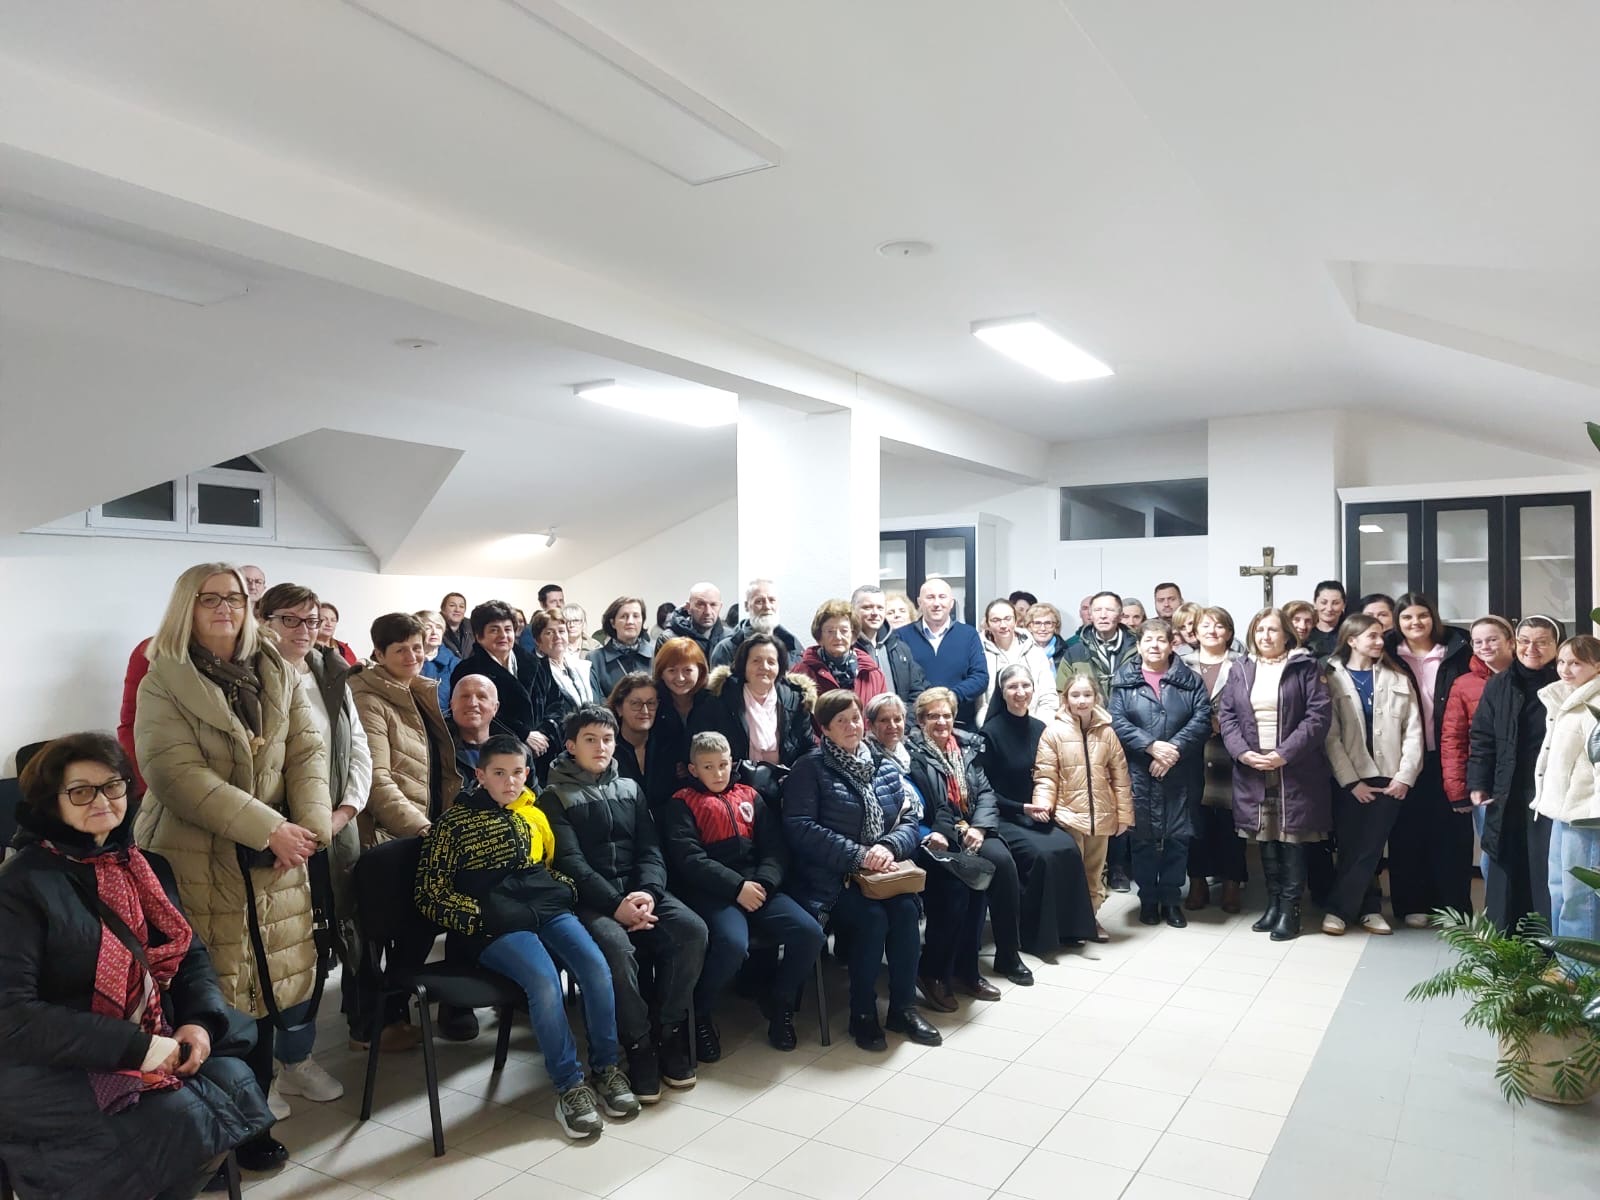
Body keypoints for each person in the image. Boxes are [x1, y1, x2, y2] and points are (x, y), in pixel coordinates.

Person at [0, 733, 274, 1199]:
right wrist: (139, 1048)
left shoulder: (147, 866)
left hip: (150, 1033)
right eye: (81, 791)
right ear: (50, 802)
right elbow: (14, 1016)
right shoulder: (19, 887)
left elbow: (191, 957)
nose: (102, 800)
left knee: (232, 1076)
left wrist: (199, 1023)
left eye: (113, 785)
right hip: (51, 1059)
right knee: (177, 1117)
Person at [132, 562, 331, 1171]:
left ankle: (255, 1113)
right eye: (209, 598)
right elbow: (174, 773)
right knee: (213, 993)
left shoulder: (276, 668)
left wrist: (309, 828)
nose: (225, 608)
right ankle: (218, 1128)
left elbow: (308, 749)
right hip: (196, 851)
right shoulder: (163, 676)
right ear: (185, 607)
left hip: (278, 850)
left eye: (235, 598)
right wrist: (268, 827)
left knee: (267, 987)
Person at [415, 734, 638, 1139]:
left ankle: (606, 1068)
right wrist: (481, 917)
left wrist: (562, 889)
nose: (511, 782)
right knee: (544, 982)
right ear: (480, 775)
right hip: (495, 925)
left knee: (596, 968)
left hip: (546, 909)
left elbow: (544, 867)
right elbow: (430, 895)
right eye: (499, 773)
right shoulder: (453, 825)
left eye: (518, 772)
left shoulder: (529, 814)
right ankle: (569, 1086)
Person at [540, 705, 708, 1102]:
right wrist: (616, 905)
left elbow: (651, 848)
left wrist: (648, 892)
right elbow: (572, 864)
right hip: (592, 900)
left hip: (639, 893)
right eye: (590, 740)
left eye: (607, 739)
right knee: (617, 950)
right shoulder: (553, 796)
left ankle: (668, 1029)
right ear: (571, 746)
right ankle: (639, 1043)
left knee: (692, 931)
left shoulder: (630, 788)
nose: (601, 747)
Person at [783, 689, 940, 1051]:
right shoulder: (810, 768)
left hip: (881, 874)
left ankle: (903, 1009)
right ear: (824, 729)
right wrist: (859, 855)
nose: (852, 726)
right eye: (841, 721)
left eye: (855, 718)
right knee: (872, 919)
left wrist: (887, 847)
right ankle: (863, 1013)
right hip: (830, 879)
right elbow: (800, 828)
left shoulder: (882, 764)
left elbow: (908, 818)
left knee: (905, 911)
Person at [258, 584, 374, 1056]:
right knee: (285, 945)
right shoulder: (251, 676)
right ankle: (284, 1061)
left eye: (310, 620)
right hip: (278, 831)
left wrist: (345, 812)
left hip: (335, 825)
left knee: (338, 927)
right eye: (289, 619)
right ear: (264, 621)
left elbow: (358, 748)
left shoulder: (331, 672)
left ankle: (308, 1053)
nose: (303, 630)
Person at [662, 732, 825, 1055]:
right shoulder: (681, 802)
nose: (718, 773)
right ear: (693, 769)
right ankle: (701, 1011)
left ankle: (780, 1003)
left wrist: (764, 882)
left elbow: (775, 848)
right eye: (708, 767)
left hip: (759, 886)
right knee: (733, 945)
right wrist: (737, 888)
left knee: (810, 934)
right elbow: (690, 859)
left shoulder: (750, 795)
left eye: (723, 765)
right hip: (714, 891)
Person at [906, 687, 1030, 1007]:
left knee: (1002, 865)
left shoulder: (966, 747)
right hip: (938, 834)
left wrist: (980, 827)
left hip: (972, 827)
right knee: (964, 887)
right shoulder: (912, 755)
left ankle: (1001, 956)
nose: (941, 722)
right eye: (933, 716)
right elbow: (933, 807)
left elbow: (985, 792)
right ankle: (939, 971)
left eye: (947, 715)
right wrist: (955, 831)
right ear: (920, 720)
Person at [1217, 607, 1332, 941]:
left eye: (1272, 630)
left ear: (1286, 635)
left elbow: (1318, 716)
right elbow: (1227, 716)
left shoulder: (1305, 666)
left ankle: (1290, 910)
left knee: (1291, 839)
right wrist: (1243, 753)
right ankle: (1273, 904)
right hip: (1253, 767)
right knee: (1265, 837)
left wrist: (1284, 754)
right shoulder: (1240, 668)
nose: (1265, 636)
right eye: (1259, 630)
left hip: (1295, 768)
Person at [979, 664, 1098, 952]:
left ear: (1034, 690)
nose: (1020, 692)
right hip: (1004, 816)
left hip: (1038, 814)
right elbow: (984, 791)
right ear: (1002, 693)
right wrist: (1021, 808)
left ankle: (1070, 930)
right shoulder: (989, 734)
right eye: (1012, 687)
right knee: (1042, 855)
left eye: (1026, 686)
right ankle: (1034, 935)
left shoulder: (1041, 729)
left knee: (1069, 848)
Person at [1321, 615, 1424, 936]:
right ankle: (1366, 909)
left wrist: (1404, 777)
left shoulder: (1398, 678)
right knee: (1352, 846)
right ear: (1352, 640)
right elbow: (1330, 736)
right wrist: (1351, 782)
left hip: (1390, 777)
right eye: (1372, 636)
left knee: (1371, 847)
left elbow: (1414, 732)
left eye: (1381, 636)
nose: (1380, 642)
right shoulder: (1331, 677)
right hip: (1350, 778)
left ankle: (1342, 911)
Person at [1109, 620, 1212, 928]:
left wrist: (1173, 751)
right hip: (1139, 770)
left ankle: (1171, 900)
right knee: (1142, 840)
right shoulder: (1123, 680)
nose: (1154, 645)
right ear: (1139, 646)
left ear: (1171, 644)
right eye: (1148, 640)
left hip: (1181, 771)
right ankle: (1148, 900)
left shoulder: (1190, 680)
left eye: (1161, 640)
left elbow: (1202, 719)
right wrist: (1151, 746)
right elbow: (1116, 721)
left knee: (1178, 838)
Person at [1470, 616, 1566, 930]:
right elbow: (1482, 736)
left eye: (1542, 642)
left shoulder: (1567, 685)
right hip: (1507, 787)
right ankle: (1505, 939)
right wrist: (1478, 782)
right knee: (1505, 860)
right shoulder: (1500, 683)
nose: (1531, 648)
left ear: (1557, 646)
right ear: (1514, 644)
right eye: (1524, 641)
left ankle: (1547, 941)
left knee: (1544, 865)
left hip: (1552, 790)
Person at [1387, 593, 1475, 926]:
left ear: (1433, 617)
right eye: (1407, 617)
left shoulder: (1457, 650)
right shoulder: (1387, 653)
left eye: (1422, 616)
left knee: (1452, 833)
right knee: (1407, 831)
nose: (1416, 623)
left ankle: (1453, 906)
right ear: (1398, 622)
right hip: (1403, 756)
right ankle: (1412, 904)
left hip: (1449, 753)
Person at [1032, 672, 1133, 941]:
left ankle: (1091, 919)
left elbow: (1121, 776)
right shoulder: (1053, 732)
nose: (1081, 700)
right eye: (1075, 695)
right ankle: (1070, 924)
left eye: (1087, 694)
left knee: (1094, 873)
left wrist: (1124, 815)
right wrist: (1043, 804)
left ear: (1096, 697)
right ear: (1065, 698)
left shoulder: (1107, 733)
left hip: (1101, 815)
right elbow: (1046, 775)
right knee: (1071, 872)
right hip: (1068, 814)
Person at [348, 613, 459, 846]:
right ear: (379, 654)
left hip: (425, 827)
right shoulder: (368, 701)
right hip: (392, 836)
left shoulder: (418, 692)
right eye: (400, 650)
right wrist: (422, 829)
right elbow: (376, 780)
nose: (412, 656)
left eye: (417, 648)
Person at [1056, 591, 1138, 892]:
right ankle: (1097, 870)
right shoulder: (1075, 650)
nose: (1103, 615)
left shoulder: (1137, 647)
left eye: (1110, 610)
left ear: (1120, 614)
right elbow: (1062, 693)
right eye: (1097, 610)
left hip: (1130, 732)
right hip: (1088, 734)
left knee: (1122, 797)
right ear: (1089, 614)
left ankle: (1119, 866)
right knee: (1096, 798)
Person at [1531, 636, 1600, 965]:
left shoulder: (1595, 704)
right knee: (1558, 888)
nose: (1565, 669)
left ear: (1597, 665)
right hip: (1561, 811)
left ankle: (1580, 972)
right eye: (1561, 661)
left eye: (1575, 663)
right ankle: (1563, 964)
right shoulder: (1565, 697)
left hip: (1587, 816)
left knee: (1579, 895)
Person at [451, 600, 565, 778]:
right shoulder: (467, 670)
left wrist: (543, 734)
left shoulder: (533, 662)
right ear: (479, 636)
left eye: (508, 629)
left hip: (543, 749)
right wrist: (524, 735)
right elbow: (477, 714)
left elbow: (555, 702)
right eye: (494, 630)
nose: (503, 635)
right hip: (501, 755)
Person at [1441, 616, 1516, 876]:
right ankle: (1493, 901)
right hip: (1486, 779)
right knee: (1492, 848)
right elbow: (1453, 738)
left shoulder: (1529, 676)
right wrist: (1458, 789)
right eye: (1478, 642)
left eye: (1492, 639)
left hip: (1526, 778)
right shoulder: (1464, 684)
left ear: (1510, 642)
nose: (1485, 646)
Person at [1184, 606, 1247, 913]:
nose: (1212, 631)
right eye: (1206, 625)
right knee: (1195, 819)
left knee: (1231, 821)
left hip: (1230, 752)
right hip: (1192, 751)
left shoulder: (1243, 664)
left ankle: (1232, 883)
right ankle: (1197, 882)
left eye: (1219, 626)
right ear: (1195, 632)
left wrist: (1226, 724)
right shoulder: (1181, 663)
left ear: (1229, 633)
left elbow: (1251, 705)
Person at [701, 633, 819, 773]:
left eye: (771, 662)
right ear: (743, 665)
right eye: (756, 661)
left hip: (786, 778)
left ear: (780, 667)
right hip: (734, 780)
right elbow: (702, 745)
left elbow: (808, 746)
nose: (764, 667)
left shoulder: (795, 698)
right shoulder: (721, 697)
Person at [894, 577, 988, 729]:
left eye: (942, 597)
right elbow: (901, 681)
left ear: (951, 603)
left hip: (961, 725)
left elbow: (980, 677)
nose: (936, 603)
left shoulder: (968, 634)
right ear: (919, 602)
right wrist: (929, 702)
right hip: (916, 727)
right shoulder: (901, 636)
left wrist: (951, 697)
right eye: (930, 597)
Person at [976, 598, 1059, 724]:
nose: (1003, 625)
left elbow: (1048, 697)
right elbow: (980, 704)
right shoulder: (979, 654)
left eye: (1007, 619)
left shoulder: (1035, 651)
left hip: (1034, 725)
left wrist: (1039, 727)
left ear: (1015, 621)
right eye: (996, 620)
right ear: (987, 624)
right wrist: (989, 729)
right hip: (994, 728)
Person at [792, 599, 888, 706]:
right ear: (819, 636)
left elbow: (881, 713)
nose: (838, 637)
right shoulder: (802, 672)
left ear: (853, 635)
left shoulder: (872, 674)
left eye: (844, 631)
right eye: (830, 631)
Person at [852, 584, 928, 704]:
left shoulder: (900, 648)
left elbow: (915, 692)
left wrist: (906, 716)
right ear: (853, 610)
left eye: (880, 608)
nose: (875, 613)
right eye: (867, 607)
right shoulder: (846, 650)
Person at [448, 673, 526, 787]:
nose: (472, 703)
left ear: (495, 708)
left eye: (481, 697)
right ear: (452, 704)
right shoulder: (435, 748)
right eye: (465, 696)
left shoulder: (517, 751)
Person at [710, 578, 802, 668]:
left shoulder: (793, 645)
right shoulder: (727, 649)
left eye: (772, 600)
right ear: (746, 606)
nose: (767, 606)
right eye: (759, 601)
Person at [591, 595, 657, 701]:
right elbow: (596, 702)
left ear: (642, 621)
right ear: (613, 623)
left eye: (636, 616)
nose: (630, 621)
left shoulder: (656, 654)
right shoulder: (595, 659)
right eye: (624, 616)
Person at [531, 609, 593, 710]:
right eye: (549, 633)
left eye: (561, 631)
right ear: (538, 641)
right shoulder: (536, 674)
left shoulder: (582, 667)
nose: (557, 636)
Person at [663, 582, 730, 661]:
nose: (708, 612)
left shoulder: (730, 638)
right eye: (701, 604)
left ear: (720, 607)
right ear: (688, 607)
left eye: (713, 605)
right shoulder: (670, 639)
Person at [415, 608, 460, 712]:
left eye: (439, 627)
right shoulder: (407, 661)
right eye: (427, 628)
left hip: (445, 720)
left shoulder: (455, 664)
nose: (434, 632)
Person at [1307, 581, 1347, 658]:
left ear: (1344, 605)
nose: (1329, 609)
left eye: (1335, 603)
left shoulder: (1350, 632)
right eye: (1323, 602)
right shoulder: (1305, 631)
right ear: (1315, 603)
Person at [1027, 602, 1069, 671]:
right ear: (1029, 627)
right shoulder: (1019, 653)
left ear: (1056, 627)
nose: (1043, 628)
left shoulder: (1068, 655)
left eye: (1048, 623)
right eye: (1037, 623)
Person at [316, 601, 359, 666]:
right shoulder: (305, 648)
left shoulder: (344, 648)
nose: (329, 624)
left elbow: (355, 669)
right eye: (324, 619)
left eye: (333, 620)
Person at [440, 591, 473, 659]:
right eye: (452, 605)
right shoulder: (434, 627)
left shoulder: (472, 626)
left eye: (461, 606)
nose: (457, 610)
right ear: (443, 609)